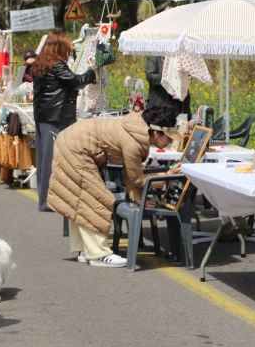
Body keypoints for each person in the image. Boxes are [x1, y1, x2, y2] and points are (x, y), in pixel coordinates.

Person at [47, 106, 179, 267]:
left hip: (69, 141)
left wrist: (137, 197)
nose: (171, 141)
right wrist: (166, 177)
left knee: (79, 199)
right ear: (157, 132)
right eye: (169, 138)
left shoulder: (135, 127)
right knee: (95, 199)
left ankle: (85, 250)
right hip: (76, 149)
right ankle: (98, 254)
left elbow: (130, 173)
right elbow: (136, 178)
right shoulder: (134, 142)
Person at [31, 31, 96, 212]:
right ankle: (46, 201)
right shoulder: (57, 65)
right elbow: (75, 81)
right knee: (51, 160)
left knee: (44, 159)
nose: (68, 52)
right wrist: (91, 73)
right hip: (55, 117)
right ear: (59, 48)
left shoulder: (41, 63)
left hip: (44, 116)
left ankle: (44, 198)